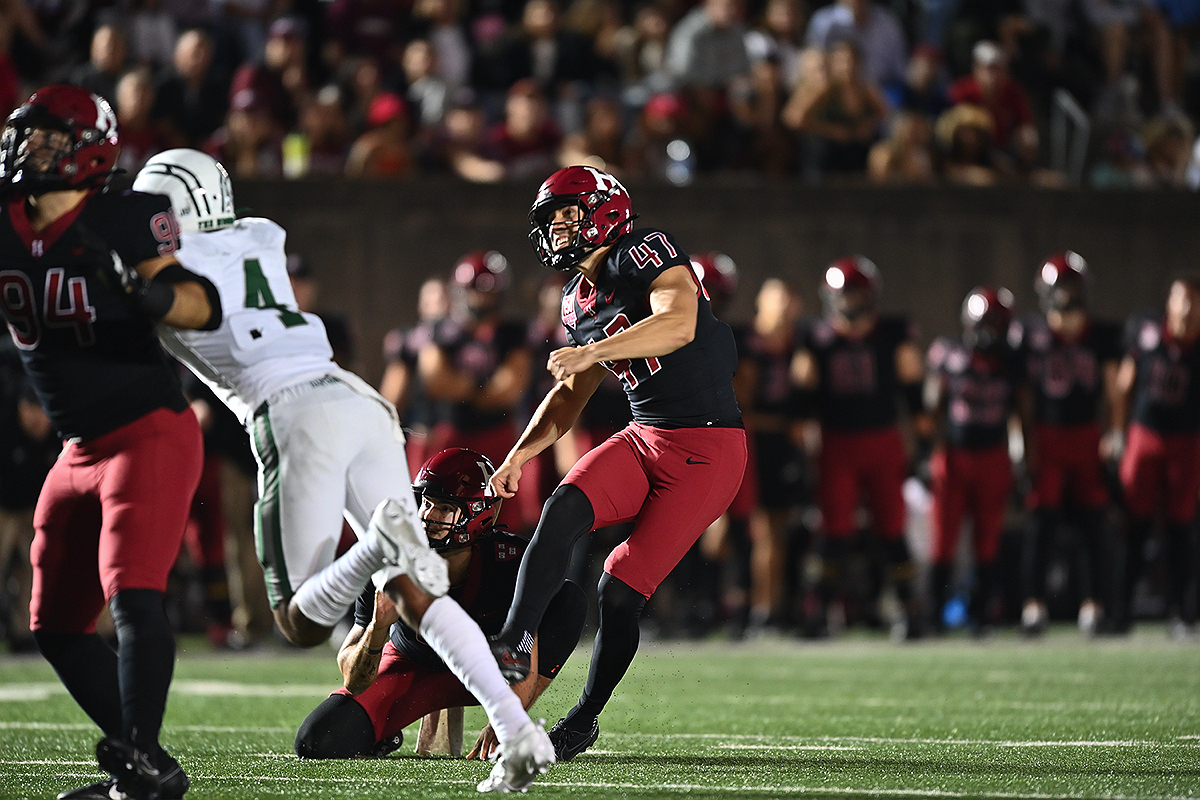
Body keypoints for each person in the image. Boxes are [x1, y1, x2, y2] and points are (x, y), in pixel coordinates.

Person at [131, 149, 556, 793]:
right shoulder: (260, 236)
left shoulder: (178, 270)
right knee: (418, 592)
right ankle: (519, 734)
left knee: (298, 622)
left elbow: (189, 304)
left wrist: (114, 276)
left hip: (290, 412)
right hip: (357, 401)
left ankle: (373, 553)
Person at [0, 85, 222, 800]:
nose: (28, 152)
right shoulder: (5, 222)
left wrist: (143, 293)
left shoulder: (126, 218)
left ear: (90, 151)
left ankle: (144, 765)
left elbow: (199, 303)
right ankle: (143, 759)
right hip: (76, 448)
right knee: (56, 624)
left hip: (146, 432)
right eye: (24, 137)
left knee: (132, 598)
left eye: (48, 140)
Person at [487, 165, 747, 761]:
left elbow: (678, 323)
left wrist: (593, 352)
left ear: (604, 212)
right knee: (563, 507)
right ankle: (512, 642)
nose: (554, 228)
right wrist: (517, 457)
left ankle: (585, 716)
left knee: (619, 592)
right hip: (646, 433)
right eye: (549, 217)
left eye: (565, 213)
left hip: (708, 450)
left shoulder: (643, 251)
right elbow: (571, 395)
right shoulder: (577, 299)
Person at [295, 448, 587, 760]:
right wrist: (378, 628)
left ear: (479, 513)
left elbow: (526, 650)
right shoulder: (389, 555)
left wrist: (507, 721)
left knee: (568, 601)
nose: (429, 516)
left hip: (486, 670)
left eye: (446, 507)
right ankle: (383, 732)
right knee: (317, 742)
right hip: (414, 666)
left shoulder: (510, 562)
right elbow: (352, 680)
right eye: (427, 502)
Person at [791, 255, 929, 639]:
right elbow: (800, 401)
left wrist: (924, 447)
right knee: (834, 530)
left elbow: (915, 392)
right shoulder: (815, 339)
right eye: (845, 295)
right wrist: (800, 453)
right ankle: (817, 611)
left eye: (856, 295)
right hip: (837, 444)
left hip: (883, 441)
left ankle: (910, 609)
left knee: (892, 529)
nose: (850, 303)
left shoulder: (894, 334)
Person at [1011, 252, 1123, 636]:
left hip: (1087, 436)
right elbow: (1023, 397)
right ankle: (1033, 605)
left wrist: (1115, 433)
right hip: (1047, 437)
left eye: (1072, 288)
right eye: (1060, 288)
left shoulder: (1102, 335)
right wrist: (1023, 445)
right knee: (1040, 525)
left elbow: (1113, 391)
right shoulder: (1029, 335)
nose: (1066, 296)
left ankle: (1094, 605)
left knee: (1094, 525)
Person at [925, 287, 1021, 634]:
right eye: (989, 325)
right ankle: (935, 614)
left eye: (998, 326)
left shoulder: (1012, 360)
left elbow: (1022, 410)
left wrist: (1021, 456)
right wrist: (930, 452)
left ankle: (982, 615)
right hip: (954, 454)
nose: (992, 333)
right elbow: (933, 407)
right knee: (943, 539)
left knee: (987, 540)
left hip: (992, 455)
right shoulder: (948, 353)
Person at [1112, 276, 1200, 637]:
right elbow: (1123, 385)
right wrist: (1118, 434)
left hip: (1186, 440)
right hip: (1145, 437)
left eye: (1195, 302)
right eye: (1183, 300)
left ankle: (1181, 612)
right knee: (1134, 525)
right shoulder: (1145, 331)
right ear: (1170, 303)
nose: (1188, 309)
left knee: (1181, 530)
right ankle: (1120, 611)